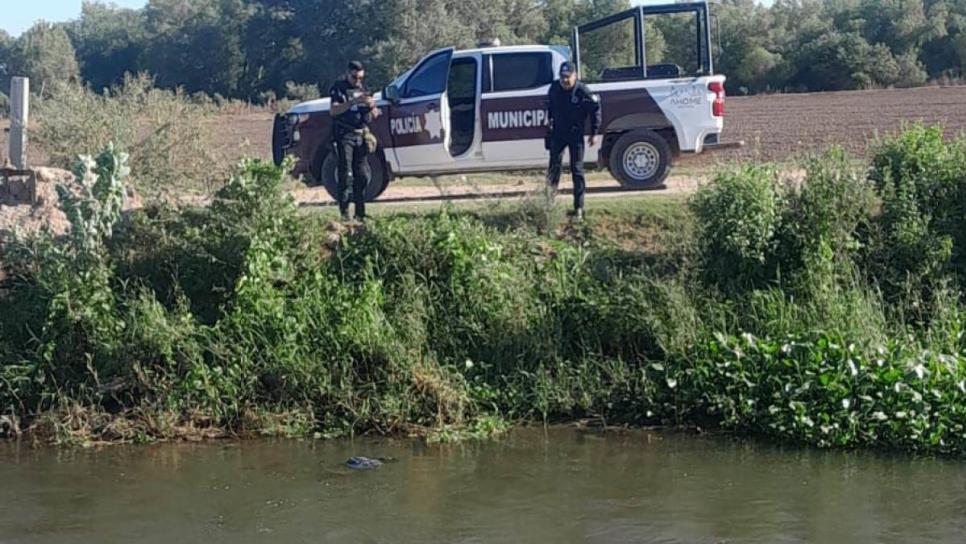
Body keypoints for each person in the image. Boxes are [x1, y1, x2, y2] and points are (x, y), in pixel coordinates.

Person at [546, 61, 601, 221]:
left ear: (575, 76)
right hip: (558, 133)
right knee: (553, 168)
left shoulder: (583, 91)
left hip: (575, 134)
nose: (564, 80)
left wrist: (594, 132)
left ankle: (579, 208)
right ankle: (549, 204)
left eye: (567, 77)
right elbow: (550, 106)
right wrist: (549, 121)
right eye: (562, 77)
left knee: (576, 169)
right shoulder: (554, 88)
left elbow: (595, 110)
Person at [329, 60, 380, 220]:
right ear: (347, 73)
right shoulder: (338, 88)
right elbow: (333, 110)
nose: (357, 81)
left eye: (360, 78)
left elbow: (375, 115)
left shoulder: (363, 89)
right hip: (345, 134)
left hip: (361, 134)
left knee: (362, 174)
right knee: (345, 173)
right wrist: (352, 102)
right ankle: (344, 213)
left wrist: (372, 106)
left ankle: (360, 212)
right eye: (354, 77)